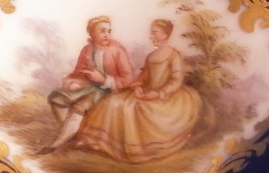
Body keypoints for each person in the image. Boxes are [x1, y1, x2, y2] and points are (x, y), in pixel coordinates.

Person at [77, 19, 202, 163]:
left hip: (167, 97)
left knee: (131, 109)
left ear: (165, 35)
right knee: (112, 102)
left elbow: (176, 80)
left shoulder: (174, 56)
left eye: (154, 33)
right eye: (151, 33)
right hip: (147, 91)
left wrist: (159, 93)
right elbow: (143, 77)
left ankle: (135, 150)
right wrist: (137, 87)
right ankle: (98, 143)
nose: (151, 36)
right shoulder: (151, 56)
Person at [39, 16, 134, 154]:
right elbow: (79, 72)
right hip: (88, 87)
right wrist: (71, 81)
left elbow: (128, 79)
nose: (107, 34)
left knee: (80, 105)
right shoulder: (87, 50)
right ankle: (74, 135)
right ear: (92, 33)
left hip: (109, 89)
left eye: (109, 31)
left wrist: (104, 79)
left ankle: (55, 145)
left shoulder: (117, 50)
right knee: (57, 98)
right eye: (102, 31)